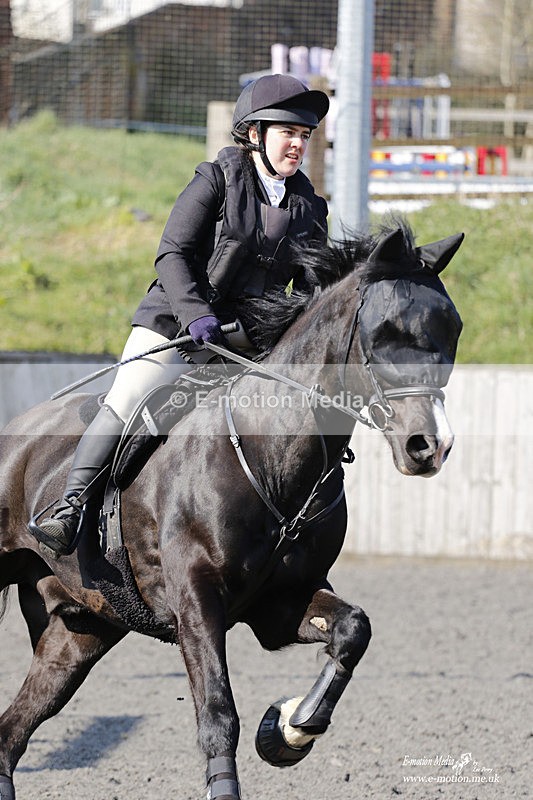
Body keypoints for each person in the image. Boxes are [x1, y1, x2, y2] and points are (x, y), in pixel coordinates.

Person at [29, 73, 330, 557]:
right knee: (128, 399)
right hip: (175, 325)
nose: (298, 144)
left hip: (242, 342)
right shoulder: (214, 179)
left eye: (304, 136)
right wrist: (194, 315)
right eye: (287, 132)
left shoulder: (310, 206)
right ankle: (69, 507)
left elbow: (311, 286)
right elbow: (172, 253)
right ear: (254, 134)